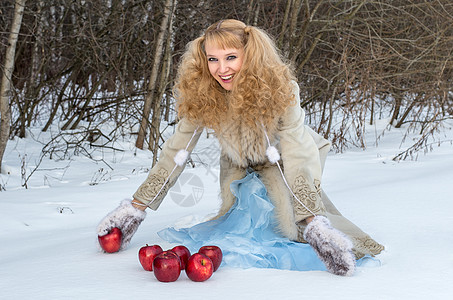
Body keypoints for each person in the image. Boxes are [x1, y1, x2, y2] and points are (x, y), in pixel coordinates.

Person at [97, 19, 384, 276]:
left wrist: (313, 222)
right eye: (213, 59)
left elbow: (297, 152)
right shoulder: (204, 92)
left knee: (290, 226)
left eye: (231, 57)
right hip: (238, 161)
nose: (222, 69)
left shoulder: (282, 89)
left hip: (285, 161)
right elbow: (177, 151)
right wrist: (135, 208)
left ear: (249, 55)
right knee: (237, 219)